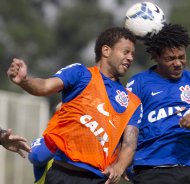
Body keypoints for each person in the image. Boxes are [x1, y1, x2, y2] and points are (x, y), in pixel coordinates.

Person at [7, 27, 142, 184]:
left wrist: (119, 167)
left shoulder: (133, 102)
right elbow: (44, 86)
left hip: (97, 179)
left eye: (133, 54)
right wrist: (25, 81)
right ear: (106, 50)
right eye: (126, 52)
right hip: (61, 173)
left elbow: (129, 144)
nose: (130, 58)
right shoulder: (80, 74)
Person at [126, 23, 190, 184]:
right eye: (171, 58)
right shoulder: (138, 83)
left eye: (182, 57)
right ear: (156, 56)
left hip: (186, 170)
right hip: (149, 170)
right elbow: (123, 127)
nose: (178, 63)